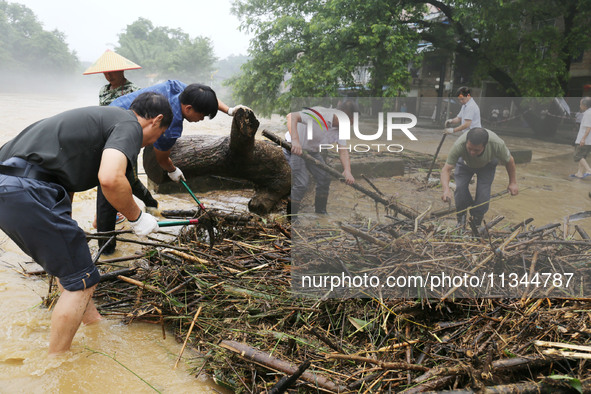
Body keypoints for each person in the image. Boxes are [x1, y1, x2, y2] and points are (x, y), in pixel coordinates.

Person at [0, 92, 173, 354]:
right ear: (155, 120)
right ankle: (57, 364)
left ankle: (93, 324)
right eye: (158, 135)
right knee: (84, 280)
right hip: (26, 189)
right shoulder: (129, 125)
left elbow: (60, 180)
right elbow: (110, 179)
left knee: (73, 269)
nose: (151, 142)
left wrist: (66, 229)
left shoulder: (95, 120)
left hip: (12, 186)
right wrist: (138, 218)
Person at [84, 50, 159, 253]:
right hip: (107, 142)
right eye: (106, 73)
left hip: (127, 141)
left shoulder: (135, 90)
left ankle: (149, 204)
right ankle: (116, 212)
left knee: (130, 179)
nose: (109, 76)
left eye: (113, 72)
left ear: (122, 70)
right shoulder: (103, 91)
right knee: (108, 179)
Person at [110, 80, 246, 182]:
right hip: (117, 131)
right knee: (117, 176)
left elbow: (205, 97)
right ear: (188, 108)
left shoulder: (177, 88)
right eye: (202, 115)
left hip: (112, 110)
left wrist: (229, 110)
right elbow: (161, 158)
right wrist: (172, 170)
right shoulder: (170, 125)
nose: (202, 119)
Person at [285, 101, 356, 216]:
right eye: (351, 122)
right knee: (302, 182)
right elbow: (291, 116)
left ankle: (320, 212)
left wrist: (347, 171)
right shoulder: (320, 113)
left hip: (312, 152)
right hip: (295, 149)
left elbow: (343, 150)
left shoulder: (341, 127)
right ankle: (291, 217)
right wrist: (295, 141)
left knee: (324, 178)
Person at [440, 127, 519, 227]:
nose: (472, 152)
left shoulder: (497, 143)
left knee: (483, 196)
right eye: (469, 148)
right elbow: (446, 169)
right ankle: (461, 221)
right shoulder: (459, 145)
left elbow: (510, 161)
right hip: (465, 164)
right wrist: (446, 190)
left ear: (485, 145)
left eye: (476, 150)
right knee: (460, 190)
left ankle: (476, 223)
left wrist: (513, 183)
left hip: (487, 166)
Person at [571, 97, 591, 179]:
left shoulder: (587, 113)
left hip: (584, 139)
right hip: (588, 140)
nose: (580, 106)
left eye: (580, 104)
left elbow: (588, 127)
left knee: (577, 155)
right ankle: (579, 173)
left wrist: (583, 139)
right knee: (582, 156)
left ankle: (589, 170)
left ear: (585, 105)